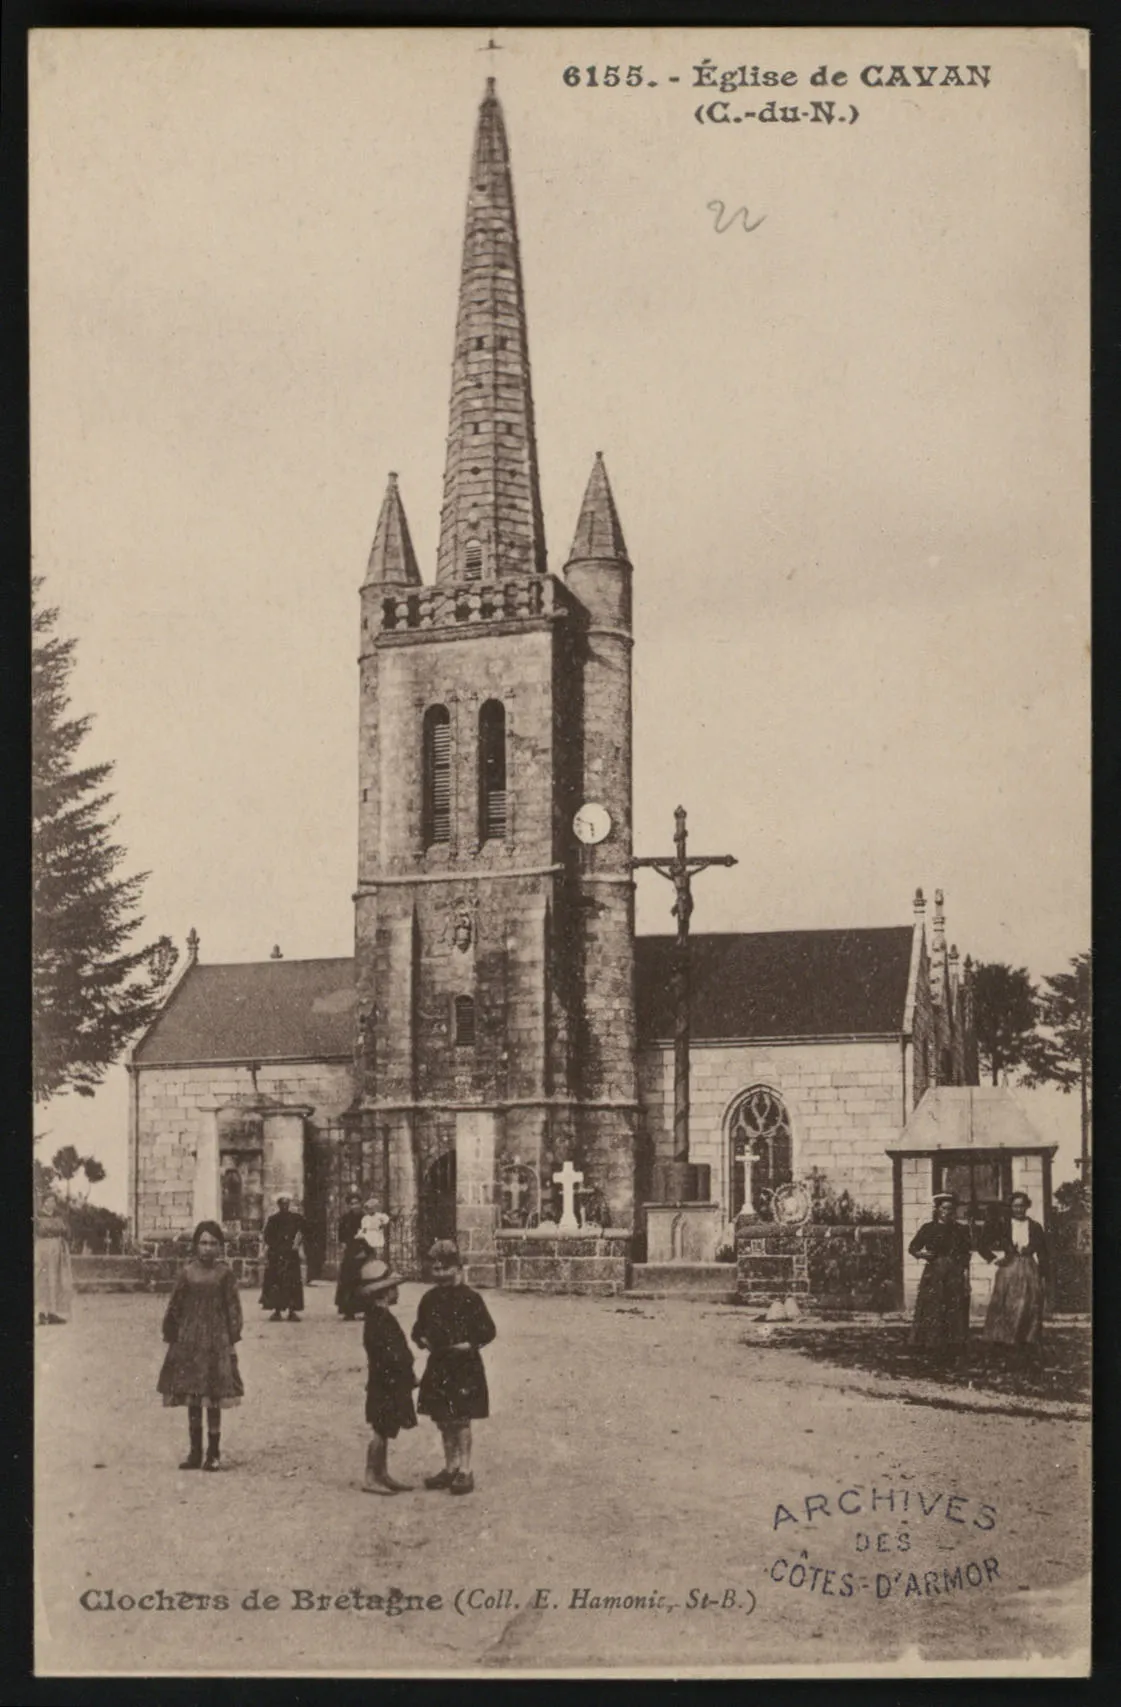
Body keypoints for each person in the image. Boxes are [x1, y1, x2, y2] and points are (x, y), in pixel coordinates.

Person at [412, 1240, 496, 1496]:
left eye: (443, 1268)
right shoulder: (429, 1298)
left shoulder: (471, 1298)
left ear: (457, 1268)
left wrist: (469, 1345)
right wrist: (422, 1339)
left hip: (463, 1367)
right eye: (435, 1269)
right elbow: (419, 1328)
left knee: (460, 1419)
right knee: (443, 1419)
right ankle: (450, 1467)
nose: (438, 1273)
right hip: (439, 1365)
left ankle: (465, 1470)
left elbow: (488, 1331)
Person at [157, 1220, 244, 1470]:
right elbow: (175, 1304)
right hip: (190, 1341)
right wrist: (172, 1333)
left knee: (212, 1398)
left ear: (220, 1247)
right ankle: (195, 1452)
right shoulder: (187, 1272)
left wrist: (231, 1336)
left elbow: (233, 1308)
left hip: (216, 1341)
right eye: (203, 1243)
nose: (208, 1248)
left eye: (213, 1244)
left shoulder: (224, 1274)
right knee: (193, 1396)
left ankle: (213, 1453)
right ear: (196, 1245)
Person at [356, 1256, 417, 1495]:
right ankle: (371, 1475)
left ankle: (382, 1473)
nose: (396, 1293)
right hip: (385, 1381)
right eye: (392, 1289)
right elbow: (389, 1355)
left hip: (389, 1380)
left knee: (386, 1426)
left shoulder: (379, 1317)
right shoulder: (379, 1320)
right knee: (380, 1430)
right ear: (382, 1294)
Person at [979, 1191, 1051, 1362]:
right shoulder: (1003, 1225)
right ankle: (1004, 1340)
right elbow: (982, 1243)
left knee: (1030, 1303)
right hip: (1009, 1268)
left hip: (1029, 1267)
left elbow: (1043, 1252)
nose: (1019, 1209)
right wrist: (994, 1259)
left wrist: (1043, 1275)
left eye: (1022, 1206)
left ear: (1027, 1206)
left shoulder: (1035, 1226)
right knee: (1007, 1303)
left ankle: (1026, 1339)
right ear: (1011, 1207)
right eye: (1015, 1206)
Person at [908, 1192, 973, 1361]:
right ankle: (931, 1343)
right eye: (944, 1208)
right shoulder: (928, 1228)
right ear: (937, 1209)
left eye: (951, 1209)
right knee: (933, 1306)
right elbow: (913, 1247)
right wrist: (923, 1255)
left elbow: (966, 1256)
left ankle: (953, 1343)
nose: (948, 1212)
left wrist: (966, 1278)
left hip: (954, 1273)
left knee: (953, 1306)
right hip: (934, 1271)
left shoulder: (961, 1229)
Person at [260, 1194, 308, 1321]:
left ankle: (292, 1310)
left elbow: (304, 1231)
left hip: (291, 1255)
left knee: (292, 1283)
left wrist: (297, 1243)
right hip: (277, 1256)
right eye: (282, 1204)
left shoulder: (296, 1218)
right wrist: (276, 1246)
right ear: (278, 1205)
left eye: (287, 1204)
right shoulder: (273, 1220)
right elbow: (267, 1237)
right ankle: (277, 1311)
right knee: (276, 1282)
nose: (285, 1206)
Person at [35, 1191, 75, 1325]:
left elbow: (64, 1230)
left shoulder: (58, 1217)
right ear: (44, 1202)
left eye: (53, 1201)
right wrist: (54, 1230)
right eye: (49, 1201)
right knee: (42, 1280)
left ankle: (53, 1313)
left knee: (56, 1279)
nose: (51, 1204)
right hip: (42, 1249)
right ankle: (41, 1313)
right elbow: (41, 1231)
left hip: (56, 1249)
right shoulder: (37, 1216)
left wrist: (56, 1230)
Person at [335, 1190, 365, 1321]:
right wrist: (343, 1245)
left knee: (365, 1281)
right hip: (351, 1252)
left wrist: (366, 1250)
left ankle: (366, 1309)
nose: (355, 1206)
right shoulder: (345, 1219)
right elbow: (341, 1235)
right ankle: (349, 1311)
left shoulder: (366, 1218)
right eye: (352, 1204)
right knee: (348, 1281)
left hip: (364, 1251)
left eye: (357, 1203)